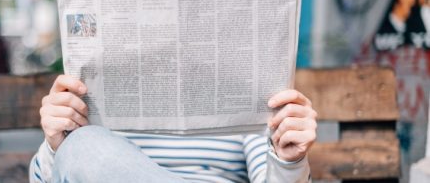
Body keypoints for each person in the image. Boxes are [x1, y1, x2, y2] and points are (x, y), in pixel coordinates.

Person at [30, 75, 317, 182]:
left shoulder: (245, 91)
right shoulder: (85, 96)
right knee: (84, 148)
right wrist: (58, 145)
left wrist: (288, 161)